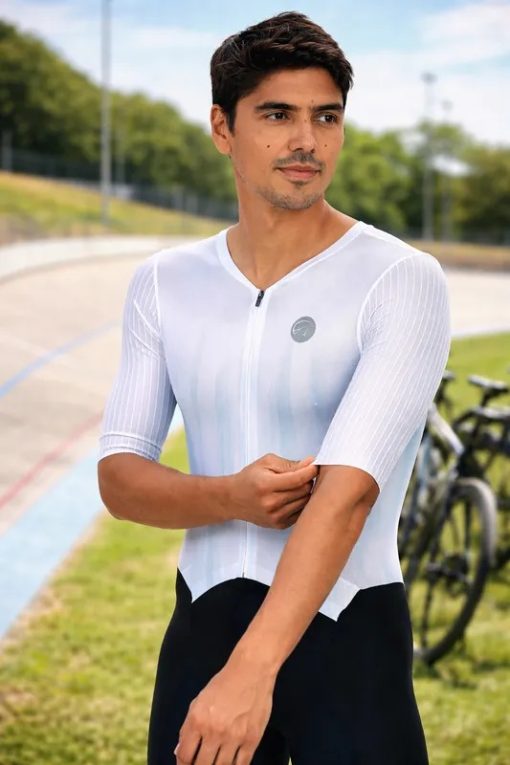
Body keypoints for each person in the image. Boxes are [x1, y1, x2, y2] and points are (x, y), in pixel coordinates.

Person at [97, 11, 451, 765]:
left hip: (350, 635)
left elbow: (347, 495)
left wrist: (249, 674)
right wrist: (231, 496)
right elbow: (120, 479)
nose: (307, 141)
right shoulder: (164, 282)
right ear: (222, 128)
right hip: (204, 623)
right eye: (278, 115)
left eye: (326, 117)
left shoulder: (400, 278)